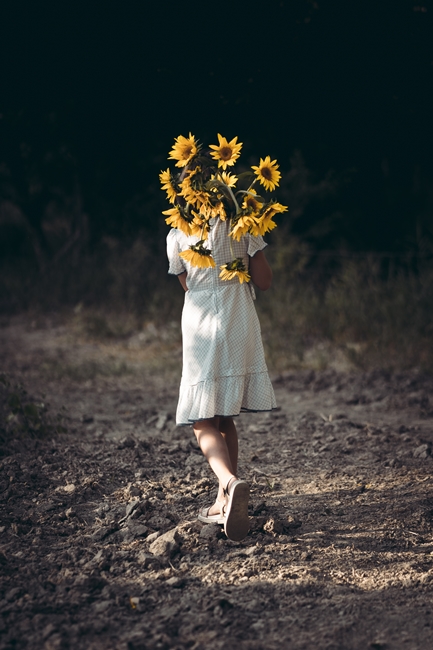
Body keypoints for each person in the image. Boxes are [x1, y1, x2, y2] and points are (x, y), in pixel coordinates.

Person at [167, 215, 276, 542]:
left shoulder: (177, 235)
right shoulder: (244, 225)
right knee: (223, 414)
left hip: (201, 323)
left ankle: (228, 482)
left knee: (202, 419)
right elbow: (265, 281)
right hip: (237, 317)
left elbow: (189, 285)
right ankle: (223, 501)